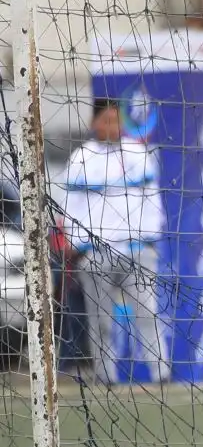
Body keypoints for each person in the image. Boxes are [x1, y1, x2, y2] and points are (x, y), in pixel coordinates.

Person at [59, 97, 169, 384]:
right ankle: (106, 376)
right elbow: (69, 208)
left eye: (118, 120)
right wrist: (78, 246)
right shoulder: (81, 158)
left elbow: (152, 200)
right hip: (96, 253)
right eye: (107, 120)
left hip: (136, 250)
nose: (114, 126)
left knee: (148, 313)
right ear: (94, 122)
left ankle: (161, 374)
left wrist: (150, 241)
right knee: (101, 320)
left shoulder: (137, 154)